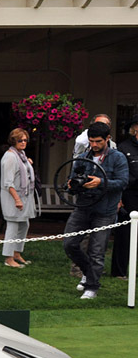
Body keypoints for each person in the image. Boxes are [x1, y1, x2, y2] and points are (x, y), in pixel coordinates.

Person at [63, 120, 130, 299]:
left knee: (97, 251)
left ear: (107, 139)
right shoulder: (83, 157)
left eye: (98, 141)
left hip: (105, 211)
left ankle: (92, 286)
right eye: (91, 141)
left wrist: (101, 182)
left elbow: (123, 182)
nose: (94, 145)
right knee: (69, 244)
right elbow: (71, 181)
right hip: (83, 208)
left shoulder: (118, 157)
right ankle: (88, 272)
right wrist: (71, 186)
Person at [0, 128, 37, 268]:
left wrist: (28, 164)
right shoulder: (10, 156)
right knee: (13, 225)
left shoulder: (21, 155)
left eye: (25, 140)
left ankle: (16, 253)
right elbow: (8, 182)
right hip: (13, 196)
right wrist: (17, 199)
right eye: (19, 140)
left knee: (24, 224)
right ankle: (8, 258)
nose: (23, 142)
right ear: (13, 141)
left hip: (24, 195)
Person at [111, 119, 138, 278]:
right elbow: (118, 175)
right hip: (129, 194)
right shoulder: (123, 148)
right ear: (134, 131)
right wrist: (118, 198)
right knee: (125, 234)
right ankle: (119, 272)